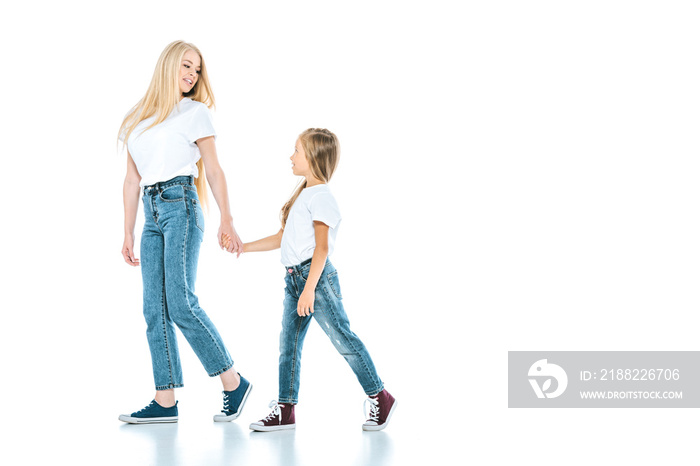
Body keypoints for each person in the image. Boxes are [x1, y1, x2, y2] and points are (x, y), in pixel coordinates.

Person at [117, 40, 252, 424]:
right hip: (151, 213)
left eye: (197, 70)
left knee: (180, 302)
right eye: (186, 67)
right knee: (153, 308)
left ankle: (233, 382)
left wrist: (227, 218)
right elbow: (130, 181)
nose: (192, 75)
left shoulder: (195, 112)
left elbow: (213, 168)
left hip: (182, 207)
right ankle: (165, 399)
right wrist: (127, 232)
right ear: (169, 66)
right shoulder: (136, 119)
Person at [232, 128, 396, 431]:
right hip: (295, 280)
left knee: (343, 338)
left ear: (314, 157)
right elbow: (284, 239)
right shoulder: (304, 195)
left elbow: (321, 248)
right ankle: (285, 409)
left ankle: (381, 396)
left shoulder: (322, 196)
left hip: (315, 280)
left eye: (296, 151)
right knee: (288, 346)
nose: (290, 156)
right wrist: (244, 246)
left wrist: (308, 291)